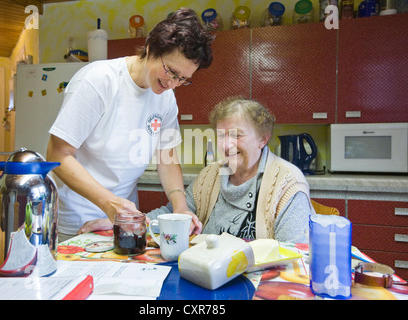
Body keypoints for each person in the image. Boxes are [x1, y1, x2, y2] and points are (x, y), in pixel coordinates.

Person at [47, 8, 213, 242]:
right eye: (171, 71)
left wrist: (181, 207)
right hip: (77, 218)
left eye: (183, 79)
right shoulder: (99, 80)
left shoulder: (165, 97)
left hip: (124, 218)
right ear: (150, 49)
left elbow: (166, 158)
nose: (172, 84)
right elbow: (57, 155)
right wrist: (109, 203)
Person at [147, 97, 315, 243]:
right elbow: (175, 213)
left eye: (237, 135)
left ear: (262, 139)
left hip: (259, 277)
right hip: (207, 273)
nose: (226, 145)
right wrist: (138, 221)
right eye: (221, 135)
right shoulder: (209, 176)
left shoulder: (287, 183)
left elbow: (294, 252)